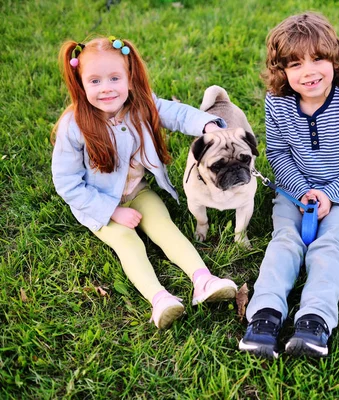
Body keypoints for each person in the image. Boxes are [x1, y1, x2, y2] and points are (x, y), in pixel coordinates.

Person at [51, 36, 238, 329]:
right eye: (95, 81)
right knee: (128, 242)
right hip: (98, 204)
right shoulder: (74, 126)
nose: (107, 88)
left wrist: (207, 124)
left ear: (129, 77)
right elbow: (66, 182)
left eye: (115, 78)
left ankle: (204, 280)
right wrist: (112, 211)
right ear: (81, 84)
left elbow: (176, 114)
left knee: (165, 227)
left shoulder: (141, 105)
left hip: (137, 191)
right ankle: (159, 298)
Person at [238, 12, 339, 358]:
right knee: (285, 241)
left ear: (335, 59)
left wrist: (330, 194)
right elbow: (279, 153)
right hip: (292, 190)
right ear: (282, 71)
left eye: (318, 59)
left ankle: (314, 320)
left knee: (329, 246)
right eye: (295, 64)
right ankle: (265, 317)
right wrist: (300, 191)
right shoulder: (278, 103)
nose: (309, 72)